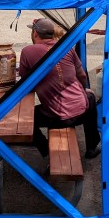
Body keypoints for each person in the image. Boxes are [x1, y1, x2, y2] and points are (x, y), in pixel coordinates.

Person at [18, 17, 101, 160]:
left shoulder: (27, 51)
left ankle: (46, 150)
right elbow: (82, 75)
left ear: (35, 34)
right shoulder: (65, 47)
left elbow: (26, 86)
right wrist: (82, 90)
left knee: (22, 118)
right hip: (81, 111)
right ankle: (92, 147)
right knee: (90, 98)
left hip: (58, 117)